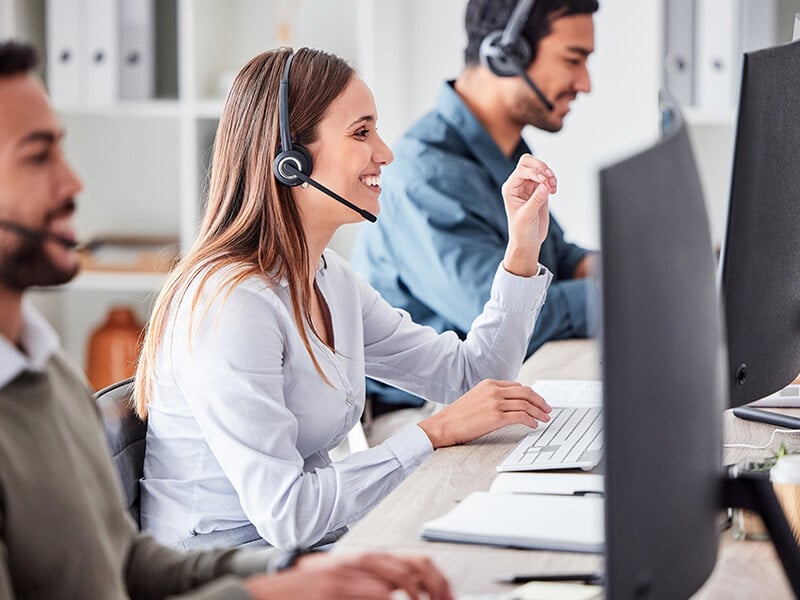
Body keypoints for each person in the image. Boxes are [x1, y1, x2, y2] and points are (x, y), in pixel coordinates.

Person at [0, 39, 454, 600]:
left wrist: (288, 576)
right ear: (291, 159)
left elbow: (127, 562)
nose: (75, 183)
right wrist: (270, 589)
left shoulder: (48, 375)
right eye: (38, 156)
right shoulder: (233, 302)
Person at [133, 46, 556, 552]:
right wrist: (432, 432)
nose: (386, 152)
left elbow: (471, 376)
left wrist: (521, 252)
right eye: (361, 132)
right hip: (228, 571)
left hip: (308, 552)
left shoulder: (330, 280)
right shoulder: (231, 306)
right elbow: (288, 515)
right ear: (291, 161)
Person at [350, 0, 601, 433]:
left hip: (491, 385)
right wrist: (631, 292)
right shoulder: (425, 175)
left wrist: (643, 265)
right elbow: (516, 319)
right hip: (421, 412)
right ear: (506, 53)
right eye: (572, 59)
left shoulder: (505, 150)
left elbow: (560, 258)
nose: (585, 83)